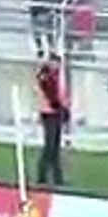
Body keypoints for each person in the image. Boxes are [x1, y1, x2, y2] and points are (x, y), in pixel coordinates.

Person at [36, 54, 68, 185]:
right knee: (49, 146)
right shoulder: (46, 75)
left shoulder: (57, 76)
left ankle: (57, 177)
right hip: (48, 113)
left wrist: (64, 108)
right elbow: (48, 92)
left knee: (55, 147)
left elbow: (61, 94)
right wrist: (59, 106)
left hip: (56, 112)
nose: (57, 66)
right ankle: (42, 175)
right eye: (55, 63)